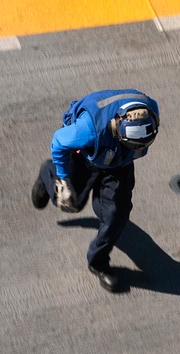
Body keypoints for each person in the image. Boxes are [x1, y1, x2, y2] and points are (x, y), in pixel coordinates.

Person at [31, 88, 160, 292]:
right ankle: (48, 173)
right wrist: (63, 180)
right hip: (86, 156)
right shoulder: (88, 129)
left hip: (119, 162)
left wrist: (129, 149)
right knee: (71, 203)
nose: (139, 150)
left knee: (116, 215)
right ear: (117, 129)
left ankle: (98, 262)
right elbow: (58, 141)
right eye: (135, 146)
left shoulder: (150, 109)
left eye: (142, 146)